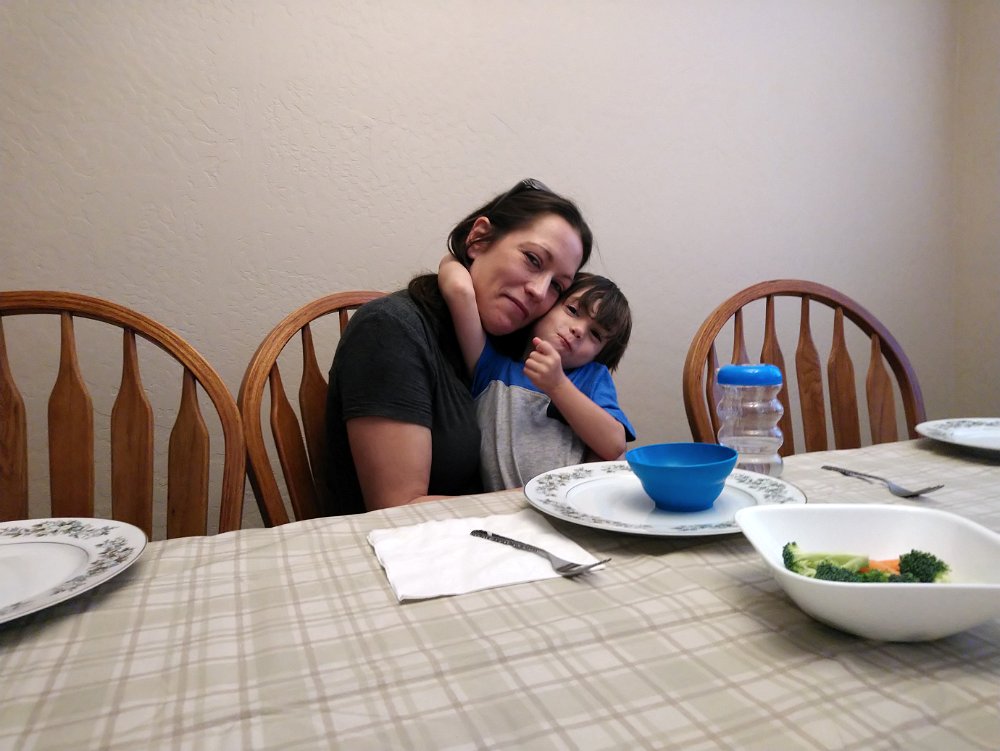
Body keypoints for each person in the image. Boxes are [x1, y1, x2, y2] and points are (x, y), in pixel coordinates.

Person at [325, 179, 593, 514]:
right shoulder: (390, 329)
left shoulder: (508, 356)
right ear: (479, 239)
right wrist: (553, 495)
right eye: (533, 259)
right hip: (398, 541)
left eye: (557, 286)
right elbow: (398, 508)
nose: (539, 292)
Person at [439, 256, 635, 490]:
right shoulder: (493, 366)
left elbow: (614, 445)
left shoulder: (591, 377)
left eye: (596, 335)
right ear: (546, 305)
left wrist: (558, 385)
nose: (579, 330)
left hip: (564, 504)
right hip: (501, 505)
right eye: (573, 310)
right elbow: (459, 290)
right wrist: (461, 253)